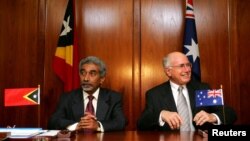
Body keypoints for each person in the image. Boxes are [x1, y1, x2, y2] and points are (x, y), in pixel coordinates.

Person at [137, 51, 237, 131]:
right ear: (168, 71)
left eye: (188, 65)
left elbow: (230, 113)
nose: (187, 70)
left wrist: (213, 117)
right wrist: (161, 115)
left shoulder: (202, 89)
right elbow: (141, 124)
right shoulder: (155, 94)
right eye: (181, 66)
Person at [48, 56, 126, 132]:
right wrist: (76, 125)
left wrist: (98, 125)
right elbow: (53, 121)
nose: (86, 78)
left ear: (101, 79)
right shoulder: (67, 97)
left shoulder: (114, 97)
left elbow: (121, 122)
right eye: (83, 73)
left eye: (92, 74)